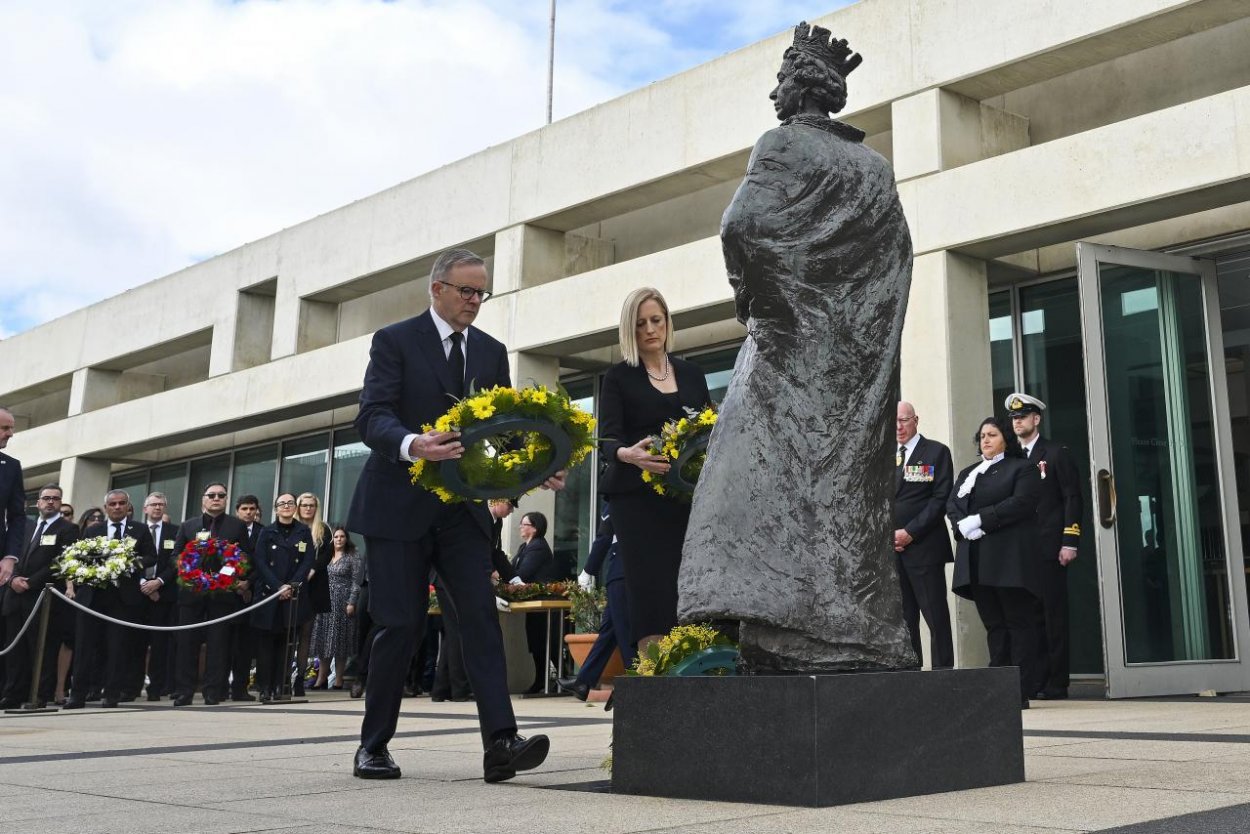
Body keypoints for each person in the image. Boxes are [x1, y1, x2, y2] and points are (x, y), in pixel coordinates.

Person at [346, 247, 562, 783]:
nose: (474, 301)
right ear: (437, 289)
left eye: (481, 292)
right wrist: (413, 443)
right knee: (400, 624)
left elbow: (506, 427)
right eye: (466, 291)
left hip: (462, 512)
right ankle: (373, 746)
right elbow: (371, 416)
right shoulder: (394, 341)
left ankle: (501, 744)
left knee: (481, 619)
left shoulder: (491, 351)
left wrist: (537, 468)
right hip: (397, 506)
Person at [598, 287, 710, 652]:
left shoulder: (692, 373)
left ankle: (695, 667)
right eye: (640, 323)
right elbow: (607, 440)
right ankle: (655, 676)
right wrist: (629, 455)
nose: (649, 329)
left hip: (687, 499)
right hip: (637, 501)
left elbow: (709, 428)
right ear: (629, 330)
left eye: (656, 320)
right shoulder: (617, 377)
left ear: (667, 323)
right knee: (651, 592)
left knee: (690, 585)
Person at [948, 417, 1041, 708]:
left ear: (1006, 439)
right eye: (982, 436)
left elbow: (1021, 503)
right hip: (976, 558)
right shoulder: (968, 472)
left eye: (992, 434)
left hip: (1008, 559)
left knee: (1017, 622)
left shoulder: (1022, 467)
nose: (985, 440)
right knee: (994, 624)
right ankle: (998, 684)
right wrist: (961, 526)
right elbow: (952, 505)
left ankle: (1020, 688)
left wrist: (981, 520)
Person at [1006, 392, 1084, 701]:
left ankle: (1056, 682)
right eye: (1014, 418)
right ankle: (1034, 680)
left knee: (1052, 616)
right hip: (1020, 551)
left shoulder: (1055, 453)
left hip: (1050, 546)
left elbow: (1072, 498)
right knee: (1027, 617)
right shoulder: (1010, 457)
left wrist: (1070, 540)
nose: (1018, 421)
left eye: (1023, 416)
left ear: (1036, 419)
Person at [64, 489, 157, 709]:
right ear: (106, 507)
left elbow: (151, 557)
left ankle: (112, 694)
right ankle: (77, 695)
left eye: (121, 503)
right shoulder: (93, 530)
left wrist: (128, 563)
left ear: (128, 506)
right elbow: (77, 558)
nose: (117, 507)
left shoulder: (140, 530)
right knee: (85, 648)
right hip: (92, 598)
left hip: (122, 599)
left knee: (117, 648)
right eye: (112, 504)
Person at [171, 482, 251, 706]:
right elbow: (176, 554)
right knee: (187, 643)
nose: (216, 498)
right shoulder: (188, 525)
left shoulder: (236, 526)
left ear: (226, 500)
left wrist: (231, 575)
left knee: (218, 645)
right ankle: (184, 691)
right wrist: (190, 570)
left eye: (221, 495)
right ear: (203, 499)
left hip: (222, 594)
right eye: (212, 495)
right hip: (192, 594)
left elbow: (246, 556)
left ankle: (213, 691)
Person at [0, 483, 78, 708]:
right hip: (15, 595)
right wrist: (13, 578)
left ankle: (39, 694)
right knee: (15, 647)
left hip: (43, 596)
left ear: (60, 502)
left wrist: (31, 583)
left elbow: (61, 562)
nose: (50, 502)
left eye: (55, 498)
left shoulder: (68, 529)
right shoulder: (25, 527)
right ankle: (13, 693)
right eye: (46, 498)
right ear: (38, 502)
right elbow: (10, 555)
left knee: (41, 648)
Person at [893, 401, 955, 669]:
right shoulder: (885, 454)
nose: (898, 427)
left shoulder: (936, 452)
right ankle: (910, 671)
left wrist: (910, 532)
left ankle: (943, 673)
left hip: (924, 547)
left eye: (904, 420)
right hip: (893, 549)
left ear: (915, 420)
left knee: (934, 614)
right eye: (894, 422)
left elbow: (940, 499)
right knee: (904, 616)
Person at [557, 503, 635, 701]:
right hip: (628, 572)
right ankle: (584, 681)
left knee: (624, 631)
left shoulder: (616, 501)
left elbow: (604, 537)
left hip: (621, 574)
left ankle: (636, 683)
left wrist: (588, 570)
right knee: (609, 631)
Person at [251, 494, 315, 702]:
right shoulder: (267, 532)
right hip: (270, 595)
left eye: (290, 503)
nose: (286, 507)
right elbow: (259, 561)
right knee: (266, 644)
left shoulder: (303, 531)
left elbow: (308, 561)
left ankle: (281, 685)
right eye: (282, 504)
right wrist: (278, 587)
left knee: (287, 644)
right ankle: (265, 687)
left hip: (293, 596)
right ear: (276, 509)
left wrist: (292, 585)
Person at [511, 511, 561, 694]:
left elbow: (523, 573)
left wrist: (501, 576)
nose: (521, 527)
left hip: (545, 603)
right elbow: (512, 569)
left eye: (525, 524)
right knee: (536, 642)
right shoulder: (524, 548)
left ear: (534, 528)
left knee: (545, 641)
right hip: (533, 603)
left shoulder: (538, 547)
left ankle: (558, 678)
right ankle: (540, 679)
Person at [135, 492, 178, 701]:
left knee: (160, 645)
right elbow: (129, 560)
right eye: (153, 504)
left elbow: (176, 563)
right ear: (145, 509)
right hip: (136, 595)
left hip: (163, 595)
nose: (157, 508)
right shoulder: (135, 530)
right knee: (134, 643)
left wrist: (158, 582)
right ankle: (132, 686)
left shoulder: (174, 531)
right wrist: (144, 583)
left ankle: (156, 689)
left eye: (161, 504)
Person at [310, 527, 363, 689]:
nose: (339, 539)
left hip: (342, 602)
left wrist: (352, 602)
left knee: (340, 643)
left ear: (346, 539)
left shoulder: (353, 556)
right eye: (336, 537)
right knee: (323, 642)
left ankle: (339, 679)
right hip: (324, 601)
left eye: (342, 536)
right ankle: (321, 678)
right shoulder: (326, 556)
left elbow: (356, 581)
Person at [225, 494, 263, 701]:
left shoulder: (263, 532)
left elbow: (263, 562)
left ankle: (240, 688)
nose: (249, 512)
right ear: (237, 510)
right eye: (244, 509)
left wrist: (248, 582)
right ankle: (221, 686)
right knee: (226, 643)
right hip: (229, 593)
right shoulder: (228, 530)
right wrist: (234, 583)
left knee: (245, 646)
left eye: (252, 509)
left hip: (253, 594)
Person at [295, 492, 332, 695]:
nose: (308, 509)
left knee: (306, 633)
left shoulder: (323, 529)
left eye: (311, 505)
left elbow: (328, 553)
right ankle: (282, 677)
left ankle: (300, 679)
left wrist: (313, 569)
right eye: (304, 505)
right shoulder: (292, 528)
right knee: (289, 632)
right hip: (292, 584)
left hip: (313, 584)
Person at [0, 407, 24, 590]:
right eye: (5, 428)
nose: (11, 434)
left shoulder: (11, 467)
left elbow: (17, 516)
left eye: (11, 428)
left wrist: (9, 557)